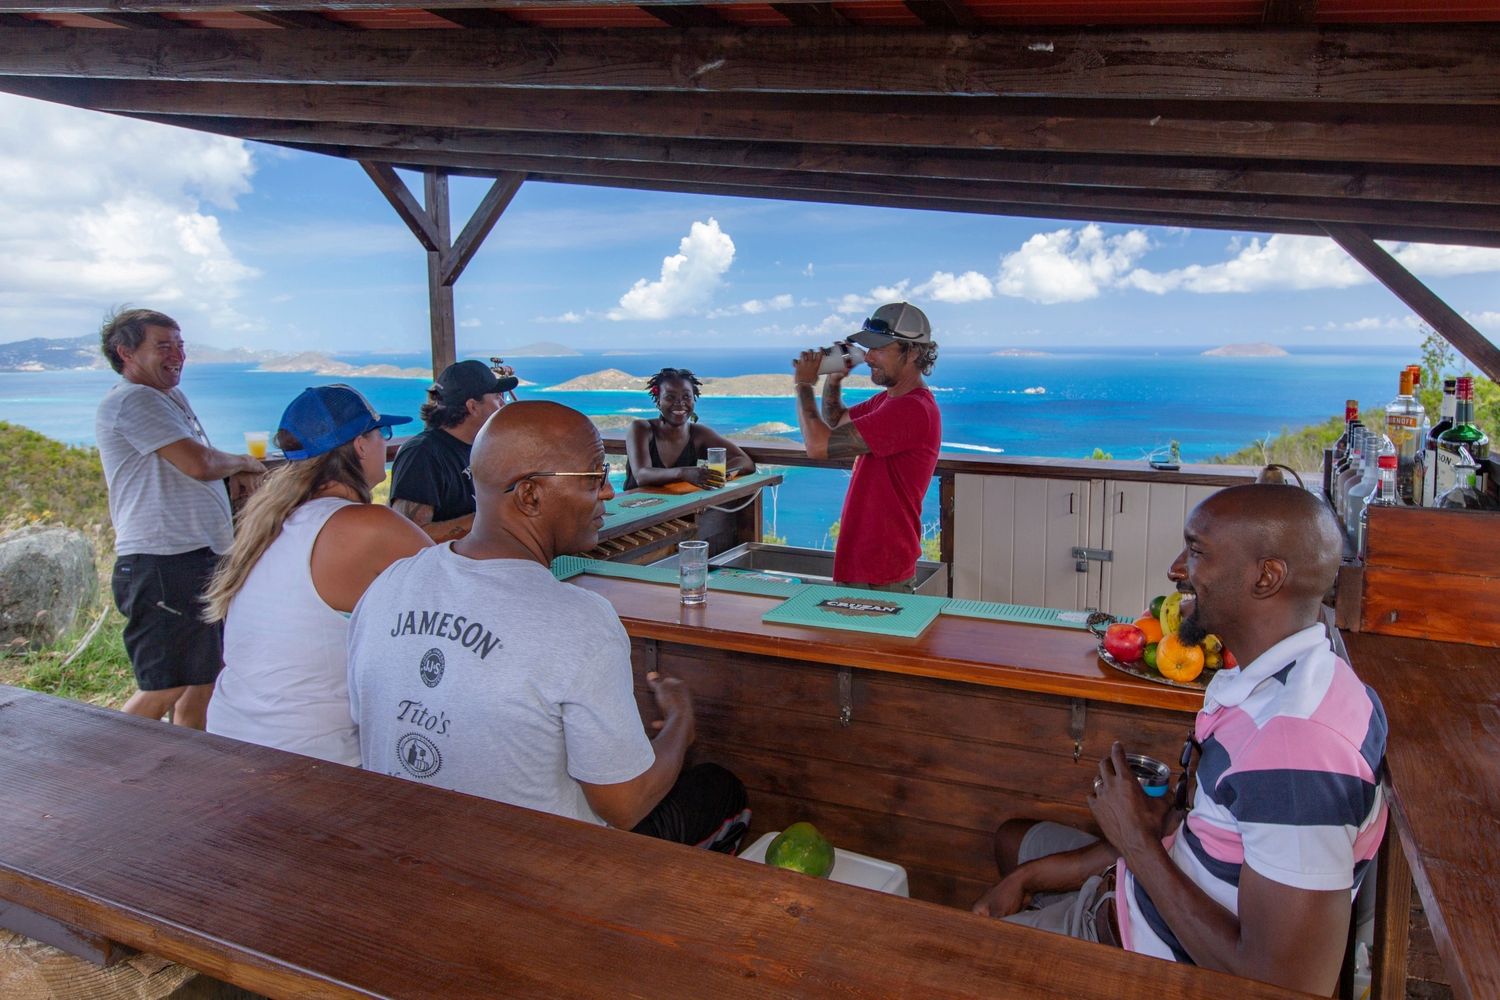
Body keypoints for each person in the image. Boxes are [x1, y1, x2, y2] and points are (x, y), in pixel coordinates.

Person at [972, 485, 1388, 996]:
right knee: (1013, 842)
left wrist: (1134, 841)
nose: (1176, 568)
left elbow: (1284, 986)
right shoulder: (1283, 678)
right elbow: (1202, 839)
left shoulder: (1296, 753)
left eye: (1196, 551)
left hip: (1135, 952)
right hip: (1133, 890)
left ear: (1267, 577)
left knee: (948, 957)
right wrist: (1049, 872)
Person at [347, 400, 749, 850]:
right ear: (530, 495)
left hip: (408, 852)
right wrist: (681, 722)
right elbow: (626, 804)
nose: (609, 493)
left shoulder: (391, 584)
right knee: (719, 786)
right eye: (595, 476)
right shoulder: (578, 619)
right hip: (541, 875)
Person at [202, 385, 431, 765]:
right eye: (381, 435)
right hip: (310, 758)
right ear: (360, 444)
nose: (383, 448)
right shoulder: (368, 526)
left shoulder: (275, 522)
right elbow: (463, 593)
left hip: (232, 735)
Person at [95, 308, 265, 728]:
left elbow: (197, 464)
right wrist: (245, 461)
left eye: (181, 345)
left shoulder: (168, 397)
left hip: (195, 555)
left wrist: (235, 470)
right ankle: (107, 767)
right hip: (162, 560)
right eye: (163, 346)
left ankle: (190, 772)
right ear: (126, 353)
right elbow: (199, 463)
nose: (177, 355)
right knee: (165, 685)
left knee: (202, 679)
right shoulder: (133, 399)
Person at [791, 302, 941, 592]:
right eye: (868, 348)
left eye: (879, 348)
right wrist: (834, 379)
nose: (869, 357)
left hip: (881, 571)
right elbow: (835, 421)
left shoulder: (912, 409)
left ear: (913, 353)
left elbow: (818, 446)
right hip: (865, 564)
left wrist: (804, 386)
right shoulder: (890, 400)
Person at [388, 359, 519, 542]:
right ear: (472, 406)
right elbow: (407, 538)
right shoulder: (422, 454)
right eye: (497, 396)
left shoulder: (481, 447)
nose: (502, 404)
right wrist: (493, 516)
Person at [624, 367, 754, 490]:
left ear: (694, 400)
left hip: (676, 508)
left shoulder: (699, 434)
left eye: (686, 397)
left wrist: (710, 475)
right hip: (634, 509)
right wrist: (684, 473)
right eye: (670, 397)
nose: (680, 403)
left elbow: (745, 461)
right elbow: (641, 476)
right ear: (658, 401)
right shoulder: (641, 429)